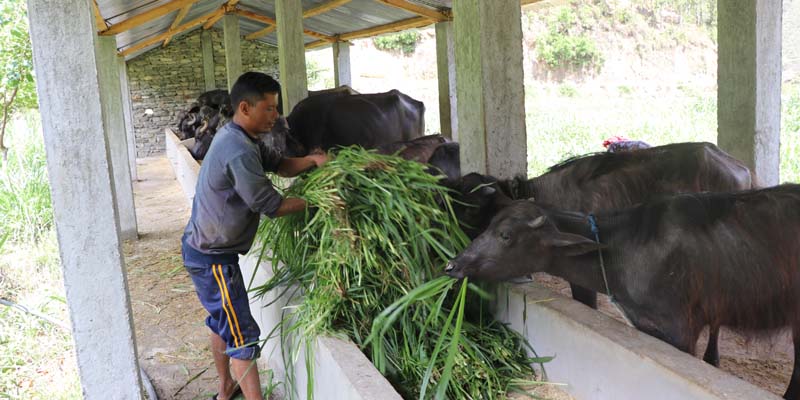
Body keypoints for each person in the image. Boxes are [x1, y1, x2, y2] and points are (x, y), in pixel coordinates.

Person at [181, 72, 327, 400]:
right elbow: (270, 205)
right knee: (243, 334)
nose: (276, 116)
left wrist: (314, 162)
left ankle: (225, 388)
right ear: (245, 108)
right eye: (270, 109)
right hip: (213, 259)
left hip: (208, 251)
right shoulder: (238, 149)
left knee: (223, 321)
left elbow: (282, 165)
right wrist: (320, 202)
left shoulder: (243, 138)